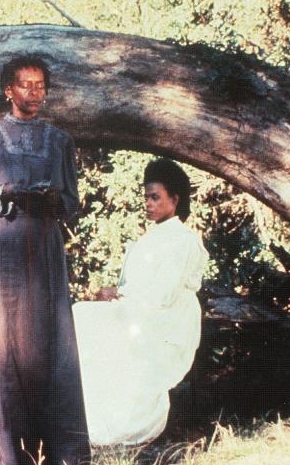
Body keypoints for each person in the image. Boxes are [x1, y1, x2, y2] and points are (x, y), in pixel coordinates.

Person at [0, 55, 90, 465]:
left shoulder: (60, 141)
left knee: (45, 349)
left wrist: (53, 202)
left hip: (44, 254)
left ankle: (53, 463)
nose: (34, 91)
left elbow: (72, 202)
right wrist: (6, 194)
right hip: (2, 255)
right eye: (25, 84)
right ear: (8, 91)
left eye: (40, 85)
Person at [72, 158, 209, 446]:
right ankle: (83, 413)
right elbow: (140, 286)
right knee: (80, 315)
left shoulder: (182, 239)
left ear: (175, 199)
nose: (148, 203)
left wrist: (121, 297)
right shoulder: (156, 235)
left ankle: (115, 422)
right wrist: (116, 294)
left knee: (87, 319)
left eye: (155, 197)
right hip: (145, 310)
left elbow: (165, 294)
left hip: (169, 319)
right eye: (146, 197)